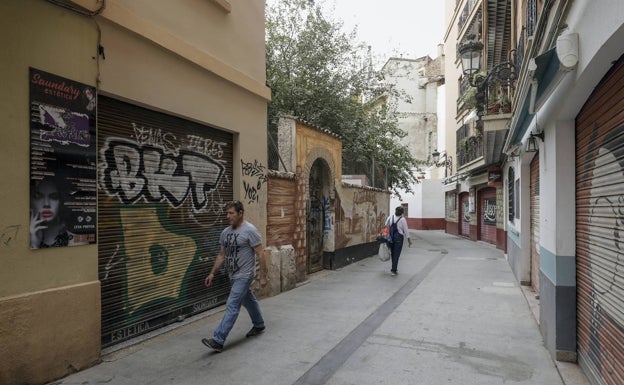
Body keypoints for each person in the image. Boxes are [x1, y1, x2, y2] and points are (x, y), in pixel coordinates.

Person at [202, 200, 268, 352]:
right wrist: (212, 273)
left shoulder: (250, 230)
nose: (228, 216)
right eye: (227, 213)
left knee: (232, 304)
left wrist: (263, 276)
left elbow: (260, 253)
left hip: (244, 275)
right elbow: (221, 255)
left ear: (240, 213)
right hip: (232, 274)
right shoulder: (226, 232)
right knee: (248, 300)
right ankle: (259, 324)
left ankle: (218, 339)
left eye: (231, 213)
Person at [30, 176, 72, 249]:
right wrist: (34, 244)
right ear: (30, 201)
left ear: (61, 202)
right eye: (38, 196)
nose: (46, 204)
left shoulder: (73, 238)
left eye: (54, 197)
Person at [385, 206, 412, 275]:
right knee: (396, 254)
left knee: (393, 253)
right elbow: (406, 230)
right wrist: (409, 240)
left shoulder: (390, 217)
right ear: (402, 213)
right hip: (398, 238)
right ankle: (393, 270)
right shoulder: (402, 219)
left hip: (390, 238)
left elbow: (386, 225)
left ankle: (394, 268)